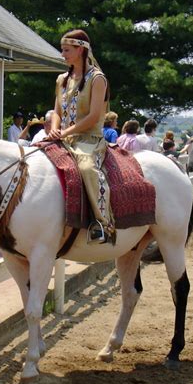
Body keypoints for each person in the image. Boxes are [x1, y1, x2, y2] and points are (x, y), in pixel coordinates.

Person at [48, 29, 114, 243]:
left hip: (89, 140)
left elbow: (95, 116)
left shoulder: (97, 79)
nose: (63, 54)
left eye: (67, 50)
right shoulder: (61, 79)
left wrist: (65, 131)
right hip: (63, 137)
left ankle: (102, 223)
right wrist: (55, 129)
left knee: (86, 168)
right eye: (62, 50)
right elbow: (57, 111)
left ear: (80, 50)